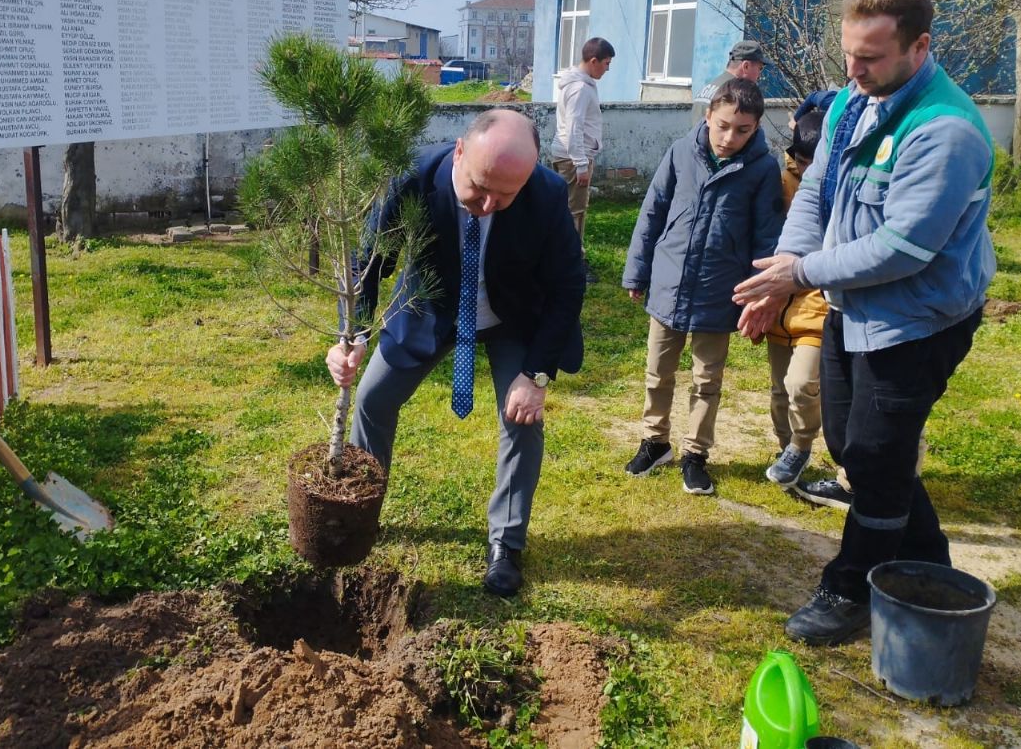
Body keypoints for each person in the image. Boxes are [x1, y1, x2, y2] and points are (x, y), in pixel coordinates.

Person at [733, 0, 996, 646]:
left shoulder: (947, 131)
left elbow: (901, 249)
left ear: (919, 46)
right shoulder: (857, 99)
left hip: (919, 316)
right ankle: (928, 564)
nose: (853, 71)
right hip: (853, 301)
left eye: (871, 58)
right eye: (848, 54)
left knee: (876, 452)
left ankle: (851, 584)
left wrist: (802, 272)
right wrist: (780, 277)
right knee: (851, 442)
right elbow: (818, 187)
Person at [326, 108, 585, 598]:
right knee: (372, 400)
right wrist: (353, 335)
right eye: (479, 188)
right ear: (460, 152)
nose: (488, 204)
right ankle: (360, 512)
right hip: (430, 309)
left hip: (513, 317)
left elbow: (568, 285)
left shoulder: (547, 192)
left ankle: (506, 545)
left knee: (521, 421)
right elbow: (369, 260)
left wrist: (537, 376)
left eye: (505, 196)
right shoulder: (414, 176)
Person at [622, 78, 784, 496]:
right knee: (658, 373)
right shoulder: (680, 152)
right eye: (723, 125)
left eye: (742, 130)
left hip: (719, 288)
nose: (730, 137)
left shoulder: (763, 169)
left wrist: (762, 294)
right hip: (669, 282)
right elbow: (652, 214)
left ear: (757, 126)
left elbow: (767, 236)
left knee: (706, 379)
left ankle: (695, 453)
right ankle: (655, 442)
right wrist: (637, 272)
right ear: (709, 115)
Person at [763, 109, 828, 488]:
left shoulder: (836, 187)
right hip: (777, 304)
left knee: (801, 383)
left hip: (817, 305)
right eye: (799, 161)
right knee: (778, 388)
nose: (804, 170)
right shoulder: (783, 179)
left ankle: (801, 445)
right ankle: (785, 448)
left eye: (811, 163)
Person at [551, 37, 615, 284]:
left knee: (568, 210)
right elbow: (574, 127)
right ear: (593, 61)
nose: (607, 69)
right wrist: (580, 163)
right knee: (574, 212)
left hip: (568, 154)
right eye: (606, 63)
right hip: (572, 157)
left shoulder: (578, 83)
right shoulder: (580, 89)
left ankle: (566, 257)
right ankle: (572, 263)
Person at [693, 39, 767, 120]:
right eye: (760, 68)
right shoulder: (736, 94)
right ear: (746, 66)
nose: (759, 75)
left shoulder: (709, 87)